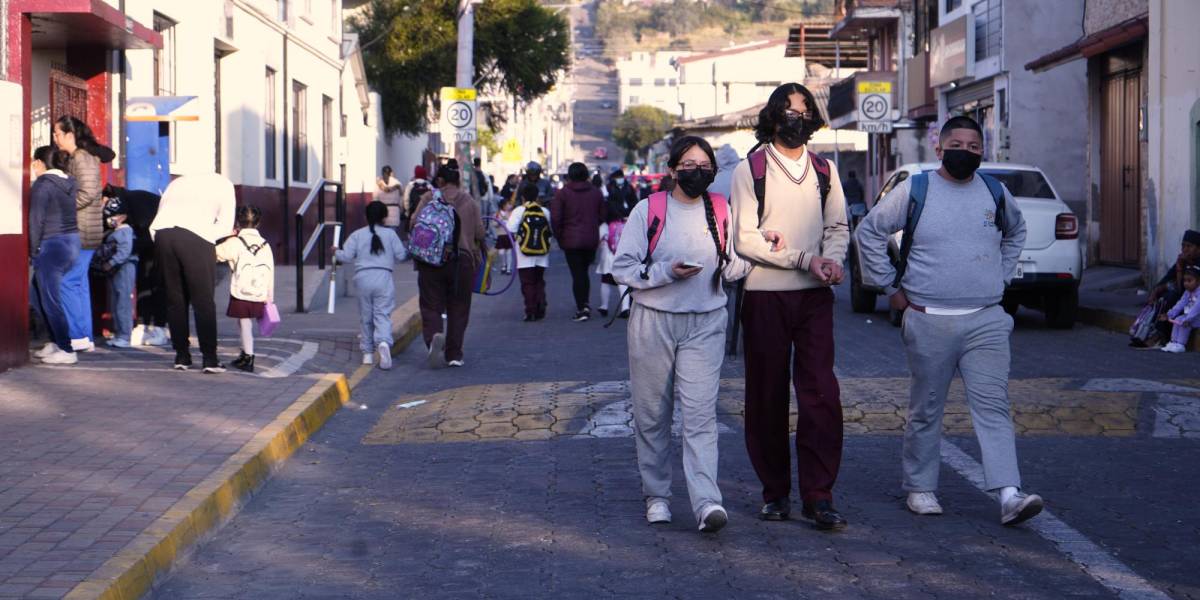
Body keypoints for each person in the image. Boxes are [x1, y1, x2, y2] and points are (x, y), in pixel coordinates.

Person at [855, 115, 1041, 526]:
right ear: (939, 148)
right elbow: (868, 232)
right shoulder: (915, 190)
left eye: (974, 147)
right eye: (957, 144)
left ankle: (1009, 493)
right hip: (927, 318)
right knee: (927, 408)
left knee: (993, 405)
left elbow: (1017, 232)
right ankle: (920, 488)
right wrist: (890, 289)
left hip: (986, 319)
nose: (966, 152)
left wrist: (1001, 274)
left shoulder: (995, 192)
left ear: (982, 151)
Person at [613, 135, 784, 533]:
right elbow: (623, 268)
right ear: (672, 170)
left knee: (700, 416)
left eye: (705, 165)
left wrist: (763, 251)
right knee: (652, 414)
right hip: (653, 321)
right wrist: (665, 272)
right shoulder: (649, 209)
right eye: (688, 164)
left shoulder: (722, 208)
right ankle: (656, 496)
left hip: (706, 322)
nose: (697, 171)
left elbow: (734, 266)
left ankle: (707, 502)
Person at [731, 82, 850, 530]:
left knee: (821, 393)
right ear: (772, 116)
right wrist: (803, 258)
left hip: (815, 296)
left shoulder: (826, 170)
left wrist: (833, 261)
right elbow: (743, 239)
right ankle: (775, 492)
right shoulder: (752, 168)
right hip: (764, 297)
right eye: (787, 111)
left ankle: (819, 494)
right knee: (767, 395)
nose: (795, 119)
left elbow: (837, 225)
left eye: (803, 111)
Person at [149, 173, 236, 373]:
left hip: (163, 235)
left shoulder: (177, 182)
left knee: (175, 299)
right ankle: (210, 359)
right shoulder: (225, 184)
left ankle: (182, 356)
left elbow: (160, 214)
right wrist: (205, 238)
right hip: (196, 236)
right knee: (203, 300)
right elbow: (225, 225)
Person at [409, 160, 485, 368]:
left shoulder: (428, 198)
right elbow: (480, 232)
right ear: (458, 181)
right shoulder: (469, 201)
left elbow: (414, 223)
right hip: (461, 262)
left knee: (431, 305)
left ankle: (433, 337)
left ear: (440, 180)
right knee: (459, 307)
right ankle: (454, 354)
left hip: (431, 261)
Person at [53, 116, 111, 352]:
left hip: (81, 230)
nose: (55, 138)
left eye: (57, 133)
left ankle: (77, 335)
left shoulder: (82, 158)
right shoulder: (80, 157)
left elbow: (87, 193)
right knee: (78, 283)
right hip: (85, 230)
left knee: (68, 283)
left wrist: (61, 208)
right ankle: (84, 336)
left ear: (70, 135)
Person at [336, 201, 408, 369]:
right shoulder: (390, 235)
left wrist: (335, 251)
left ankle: (367, 354)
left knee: (366, 316)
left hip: (362, 278)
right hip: (383, 276)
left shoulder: (357, 235)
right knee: (382, 314)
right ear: (385, 217)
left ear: (366, 216)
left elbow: (345, 256)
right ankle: (383, 342)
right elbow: (401, 255)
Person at [28, 145, 80, 365]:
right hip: (71, 242)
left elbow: (36, 219)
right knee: (36, 293)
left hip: (52, 245)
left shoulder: (43, 185)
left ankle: (66, 349)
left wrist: (33, 249)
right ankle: (55, 341)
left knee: (50, 300)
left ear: (39, 163)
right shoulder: (68, 183)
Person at [103, 184, 168, 346]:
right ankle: (147, 326)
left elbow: (145, 230)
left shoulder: (128, 204)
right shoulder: (133, 199)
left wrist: (130, 249)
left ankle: (159, 327)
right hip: (152, 242)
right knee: (146, 283)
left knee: (156, 286)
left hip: (158, 242)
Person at [215, 206, 275, 373]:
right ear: (258, 222)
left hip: (240, 291)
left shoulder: (234, 242)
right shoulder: (265, 244)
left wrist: (228, 237)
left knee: (244, 323)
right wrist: (269, 296)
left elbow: (215, 253)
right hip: (260, 290)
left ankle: (248, 356)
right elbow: (270, 269)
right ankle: (246, 353)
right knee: (246, 323)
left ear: (237, 222)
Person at [550, 162, 607, 322]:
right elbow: (603, 214)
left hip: (570, 240)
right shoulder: (596, 193)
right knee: (584, 272)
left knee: (577, 274)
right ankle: (585, 303)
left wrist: (559, 236)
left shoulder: (562, 194)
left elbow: (556, 218)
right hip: (590, 239)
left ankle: (582, 307)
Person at [1138, 229, 1200, 348]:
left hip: (1196, 307)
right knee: (1161, 297)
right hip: (1186, 304)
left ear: (1198, 249)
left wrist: (1179, 269)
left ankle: (1160, 337)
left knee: (1172, 296)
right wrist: (1154, 293)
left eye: (1189, 246)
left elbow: (1183, 290)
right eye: (1183, 246)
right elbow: (1165, 280)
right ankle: (1149, 332)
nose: (1185, 249)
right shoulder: (1183, 261)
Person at [91, 197, 138, 348]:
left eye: (113, 215)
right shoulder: (116, 230)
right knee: (116, 301)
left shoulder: (125, 230)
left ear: (123, 216)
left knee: (122, 301)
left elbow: (125, 251)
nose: (110, 219)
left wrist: (110, 263)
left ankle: (124, 335)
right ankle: (119, 333)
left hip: (123, 267)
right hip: (115, 269)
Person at [507, 185, 552, 321]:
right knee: (539, 280)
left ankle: (530, 310)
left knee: (527, 283)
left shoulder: (518, 211)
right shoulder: (544, 211)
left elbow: (510, 228)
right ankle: (540, 304)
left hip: (524, 253)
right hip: (542, 253)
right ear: (538, 196)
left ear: (522, 197)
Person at [596, 195, 631, 318]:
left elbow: (599, 242)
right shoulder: (625, 225)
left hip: (607, 259)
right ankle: (625, 307)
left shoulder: (604, 226)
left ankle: (604, 306)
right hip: (622, 257)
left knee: (605, 281)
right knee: (622, 282)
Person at [1160, 265, 1200, 353]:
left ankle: (1181, 344)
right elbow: (1180, 304)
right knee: (1178, 319)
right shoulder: (1187, 292)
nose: (1186, 283)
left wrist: (1188, 319)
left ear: (1198, 282)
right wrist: (1169, 314)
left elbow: (1197, 308)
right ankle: (1173, 342)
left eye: (1189, 281)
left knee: (1183, 322)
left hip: (1196, 317)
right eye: (1185, 281)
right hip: (1190, 316)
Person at [402, 165, 432, 235]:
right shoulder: (429, 185)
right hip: (426, 215)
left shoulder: (410, 185)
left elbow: (406, 200)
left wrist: (407, 211)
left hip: (413, 212)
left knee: (411, 233)